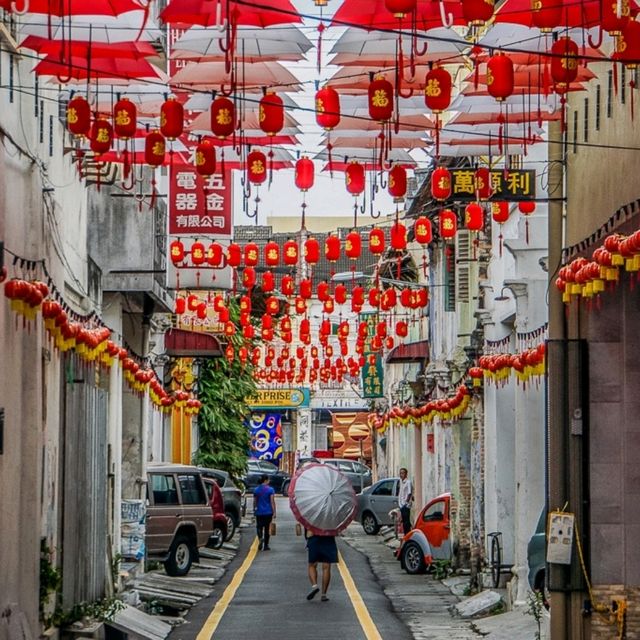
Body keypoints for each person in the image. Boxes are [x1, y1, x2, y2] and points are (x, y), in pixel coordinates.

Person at [306, 532, 337, 602]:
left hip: (313, 537)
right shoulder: (330, 520)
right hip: (328, 537)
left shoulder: (311, 520)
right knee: (326, 567)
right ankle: (323, 595)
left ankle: (314, 586)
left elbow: (306, 524)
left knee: (312, 565)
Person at [253, 474, 276, 550]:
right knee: (267, 529)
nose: (269, 481)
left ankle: (260, 538)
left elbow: (255, 501)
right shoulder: (270, 490)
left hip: (259, 512)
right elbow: (272, 502)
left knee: (259, 527)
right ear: (265, 480)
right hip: (268, 512)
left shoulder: (256, 490)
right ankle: (266, 545)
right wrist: (274, 512)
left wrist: (255, 509)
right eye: (268, 480)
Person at [398, 467, 413, 535]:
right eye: (400, 473)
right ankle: (406, 534)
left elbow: (409, 493)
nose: (401, 474)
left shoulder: (408, 482)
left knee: (406, 521)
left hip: (405, 505)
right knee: (404, 521)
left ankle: (408, 534)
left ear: (406, 474)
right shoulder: (401, 482)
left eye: (403, 473)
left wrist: (406, 503)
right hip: (401, 504)